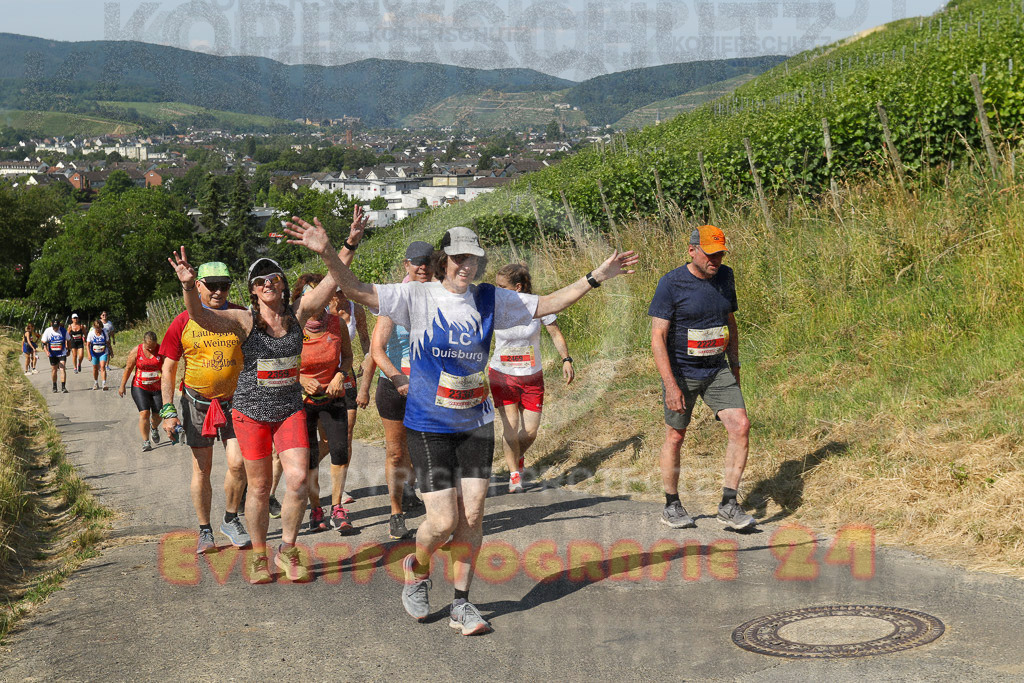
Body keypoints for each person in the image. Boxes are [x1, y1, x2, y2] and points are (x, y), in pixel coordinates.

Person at [281, 219, 638, 635]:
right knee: (444, 520)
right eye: (457, 258)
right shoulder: (415, 295)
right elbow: (358, 290)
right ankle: (417, 568)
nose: (465, 266)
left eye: (472, 258)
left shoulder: (490, 299)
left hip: (476, 422)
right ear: (442, 260)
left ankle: (462, 604)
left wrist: (596, 277)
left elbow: (549, 303)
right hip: (429, 423)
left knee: (472, 515)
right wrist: (328, 251)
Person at [168, 208, 367, 584]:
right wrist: (187, 285)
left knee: (296, 480)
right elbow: (199, 317)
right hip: (251, 414)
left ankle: (288, 549)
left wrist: (346, 244)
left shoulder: (299, 312)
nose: (269, 283)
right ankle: (260, 555)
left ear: (282, 283)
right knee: (258, 486)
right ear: (253, 290)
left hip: (290, 409)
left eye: (274, 277)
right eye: (261, 281)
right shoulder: (244, 321)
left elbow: (332, 279)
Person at [648, 225, 755, 531]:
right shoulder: (671, 283)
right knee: (675, 435)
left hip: (717, 369)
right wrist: (670, 385)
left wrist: (734, 365)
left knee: (740, 425)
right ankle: (671, 505)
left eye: (720, 253)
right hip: (681, 371)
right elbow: (658, 337)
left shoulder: (725, 277)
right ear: (692, 250)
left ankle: (728, 504)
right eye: (710, 254)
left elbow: (730, 322)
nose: (716, 260)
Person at [158, 262, 250, 556]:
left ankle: (231, 518)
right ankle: (204, 530)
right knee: (203, 468)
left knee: (238, 463)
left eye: (224, 285)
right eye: (212, 285)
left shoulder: (239, 316)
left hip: (236, 400)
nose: (219, 291)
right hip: (197, 403)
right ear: (198, 285)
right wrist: (168, 410)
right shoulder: (182, 322)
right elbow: (169, 368)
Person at [361, 241, 434, 541]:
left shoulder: (442, 298)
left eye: (428, 262)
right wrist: (397, 378)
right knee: (395, 452)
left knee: (424, 453)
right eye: (417, 262)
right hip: (394, 386)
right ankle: (396, 512)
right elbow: (376, 350)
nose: (423, 267)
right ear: (406, 265)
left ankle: (433, 512)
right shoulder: (395, 299)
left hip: (428, 389)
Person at [488, 263, 575, 493]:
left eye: (501, 286)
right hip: (502, 374)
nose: (497, 290)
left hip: (531, 376)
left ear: (517, 287)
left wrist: (566, 359)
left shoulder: (538, 305)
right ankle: (514, 475)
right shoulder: (495, 306)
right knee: (511, 427)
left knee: (530, 432)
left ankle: (516, 457)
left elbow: (555, 333)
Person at [294, 275, 356, 535]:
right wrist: (301, 378)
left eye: (322, 294)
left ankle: (337, 507)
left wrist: (341, 374)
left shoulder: (336, 323)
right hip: (302, 401)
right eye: (311, 295)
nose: (317, 302)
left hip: (333, 397)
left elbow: (349, 357)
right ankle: (316, 509)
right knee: (309, 459)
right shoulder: (293, 327)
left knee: (340, 451)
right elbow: (283, 364)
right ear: (300, 299)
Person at [329, 284, 371, 508]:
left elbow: (364, 337)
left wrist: (367, 356)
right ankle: (306, 470)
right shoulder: (323, 310)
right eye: (336, 292)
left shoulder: (356, 310)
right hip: (322, 376)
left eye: (343, 290)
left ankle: (341, 486)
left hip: (346, 373)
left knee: (347, 432)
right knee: (326, 440)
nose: (340, 296)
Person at [118, 331, 165, 452]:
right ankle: (146, 441)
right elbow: (128, 368)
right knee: (144, 413)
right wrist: (122, 385)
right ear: (143, 343)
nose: (151, 349)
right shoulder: (136, 351)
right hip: (140, 386)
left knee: (159, 414)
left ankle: (154, 428)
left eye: (153, 346)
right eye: (148, 347)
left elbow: (167, 370)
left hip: (157, 388)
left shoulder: (161, 350)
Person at [40, 318, 69, 394]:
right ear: (51, 325)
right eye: (54, 327)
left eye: (57, 327)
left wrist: (68, 349)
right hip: (52, 353)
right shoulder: (48, 331)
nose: (55, 328)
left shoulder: (63, 330)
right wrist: (46, 351)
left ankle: (63, 387)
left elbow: (69, 339)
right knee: (54, 370)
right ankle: (54, 386)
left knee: (62, 368)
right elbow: (43, 343)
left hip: (62, 352)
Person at [86, 319, 110, 390]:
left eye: (99, 328)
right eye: (96, 328)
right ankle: (96, 383)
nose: (98, 329)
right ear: (94, 327)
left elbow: (108, 342)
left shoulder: (104, 333)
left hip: (103, 352)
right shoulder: (91, 333)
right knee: (95, 368)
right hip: (94, 353)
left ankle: (104, 383)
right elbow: (87, 345)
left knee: (102, 366)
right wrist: (89, 354)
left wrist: (111, 351)